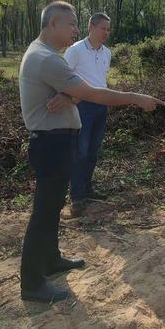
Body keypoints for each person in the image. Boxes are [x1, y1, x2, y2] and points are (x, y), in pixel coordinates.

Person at [19, 1, 165, 303]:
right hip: (51, 142)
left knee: (52, 207)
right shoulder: (48, 59)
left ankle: (50, 260)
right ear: (52, 25)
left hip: (57, 140)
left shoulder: (46, 54)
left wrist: (69, 96)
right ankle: (32, 283)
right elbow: (92, 93)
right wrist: (136, 97)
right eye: (70, 24)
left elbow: (77, 92)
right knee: (43, 213)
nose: (75, 29)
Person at [64, 13, 112, 216]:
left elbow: (101, 79)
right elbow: (62, 76)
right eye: (103, 29)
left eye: (109, 30)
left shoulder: (107, 52)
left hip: (102, 107)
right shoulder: (75, 50)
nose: (106, 33)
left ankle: (87, 189)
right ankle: (76, 197)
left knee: (93, 151)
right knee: (80, 152)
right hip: (82, 107)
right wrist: (72, 97)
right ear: (91, 27)